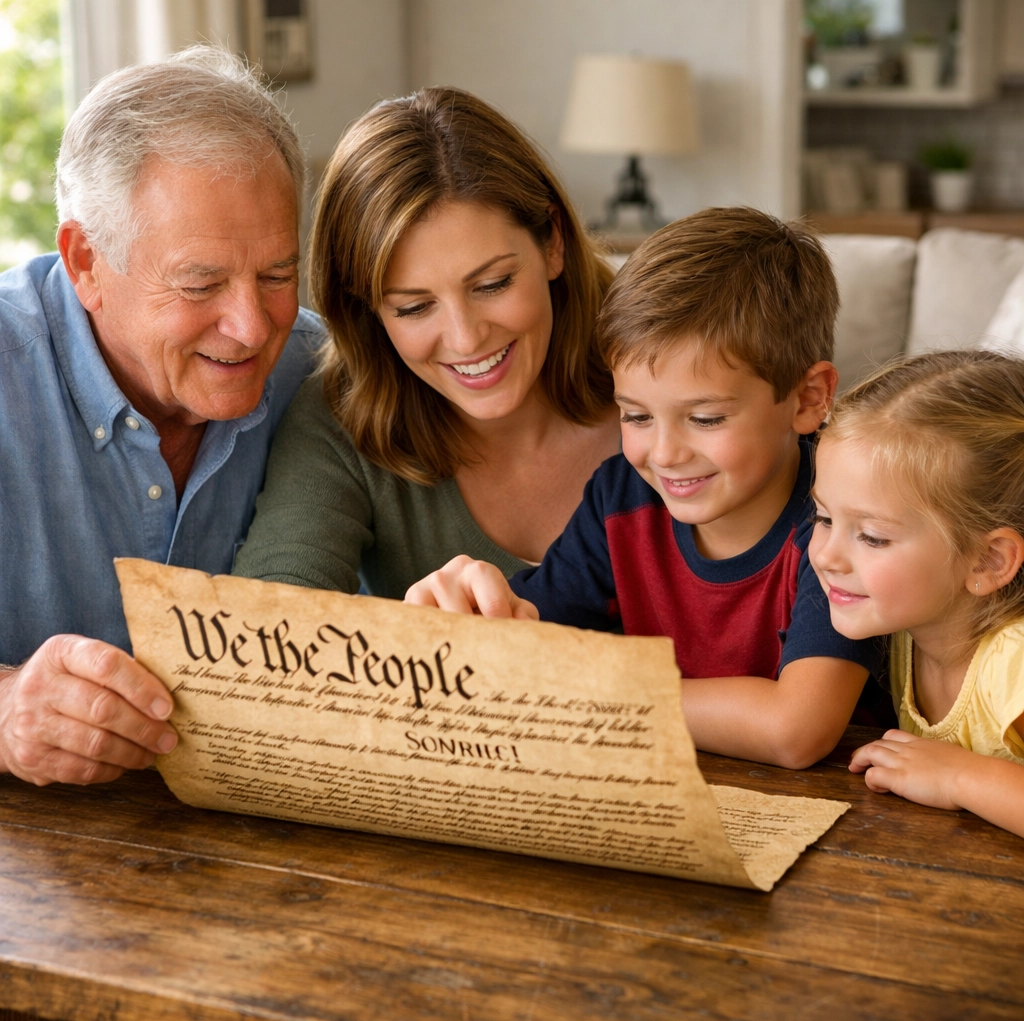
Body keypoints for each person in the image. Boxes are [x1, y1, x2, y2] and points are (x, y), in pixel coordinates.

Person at [407, 207, 887, 769]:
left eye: (705, 419)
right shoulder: (622, 501)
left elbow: (795, 729)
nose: (663, 455)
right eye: (636, 416)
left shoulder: (844, 524)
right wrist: (473, 611)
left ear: (808, 399)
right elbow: (522, 643)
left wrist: (594, 691)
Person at [0, 47, 323, 786]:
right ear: (86, 263)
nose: (252, 326)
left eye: (277, 274)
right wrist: (6, 709)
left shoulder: (318, 371)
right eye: (201, 284)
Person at [232, 86, 620, 595]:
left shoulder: (672, 355)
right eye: (413, 308)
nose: (466, 338)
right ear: (367, 311)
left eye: (493, 284)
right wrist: (413, 634)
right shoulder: (341, 418)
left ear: (553, 242)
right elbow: (270, 619)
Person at [808, 350, 1024, 838]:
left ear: (987, 561)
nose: (826, 556)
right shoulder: (907, 630)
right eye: (823, 518)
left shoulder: (1013, 661)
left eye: (872, 538)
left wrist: (959, 777)